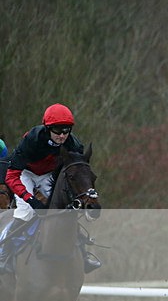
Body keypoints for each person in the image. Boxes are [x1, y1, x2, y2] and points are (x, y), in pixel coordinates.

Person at [0, 104, 101, 273]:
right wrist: (31, 199)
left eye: (66, 130)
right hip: (25, 173)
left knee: (60, 210)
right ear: (47, 128)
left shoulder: (73, 144)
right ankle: (4, 252)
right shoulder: (32, 140)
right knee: (26, 212)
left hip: (49, 175)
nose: (62, 135)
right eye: (57, 130)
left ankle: (83, 253)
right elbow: (11, 176)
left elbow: (77, 169)